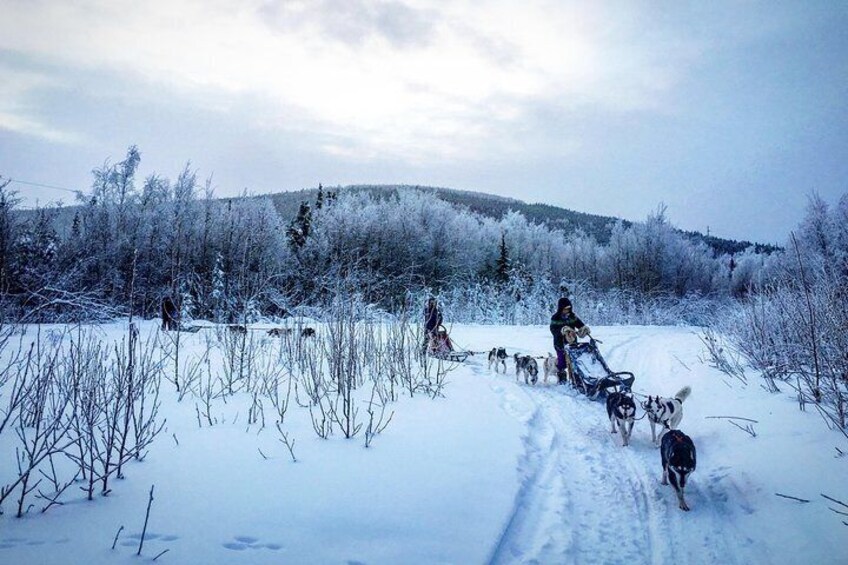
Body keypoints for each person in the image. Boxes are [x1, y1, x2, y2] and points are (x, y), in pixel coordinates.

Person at [549, 297, 590, 378]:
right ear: (561, 308)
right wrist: (562, 330)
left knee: (574, 362)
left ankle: (575, 377)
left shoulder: (572, 316)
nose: (567, 310)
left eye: (569, 308)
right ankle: (561, 375)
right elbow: (553, 330)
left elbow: (580, 325)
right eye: (565, 308)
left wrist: (584, 329)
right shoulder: (555, 318)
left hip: (572, 343)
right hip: (560, 343)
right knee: (562, 363)